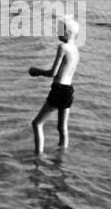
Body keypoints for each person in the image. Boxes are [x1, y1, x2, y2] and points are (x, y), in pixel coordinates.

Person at [29, 16, 80, 155]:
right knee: (62, 127)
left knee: (37, 124)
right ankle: (62, 157)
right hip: (69, 90)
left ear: (67, 33)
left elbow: (53, 73)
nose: (57, 32)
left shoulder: (62, 47)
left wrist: (36, 71)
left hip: (59, 89)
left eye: (60, 30)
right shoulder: (75, 49)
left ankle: (38, 156)